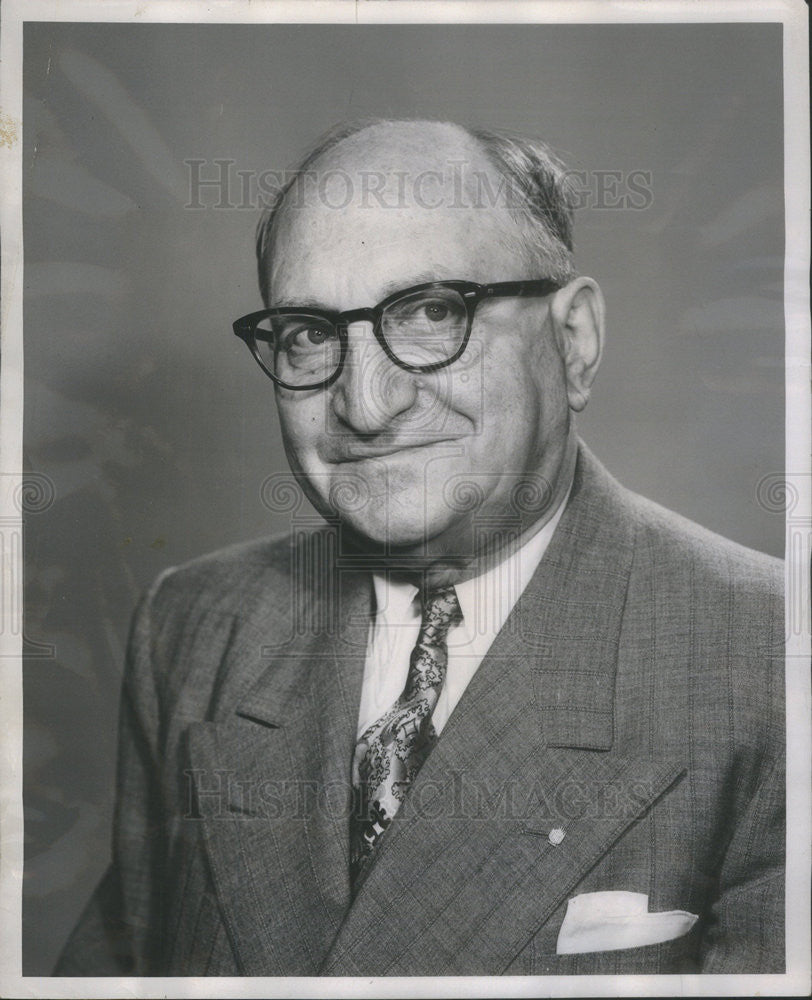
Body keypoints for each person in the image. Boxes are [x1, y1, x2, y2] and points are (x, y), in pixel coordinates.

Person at [55, 118, 784, 977]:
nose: (366, 406)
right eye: (310, 335)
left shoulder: (773, 660)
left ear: (575, 340)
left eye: (434, 312)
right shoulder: (193, 627)